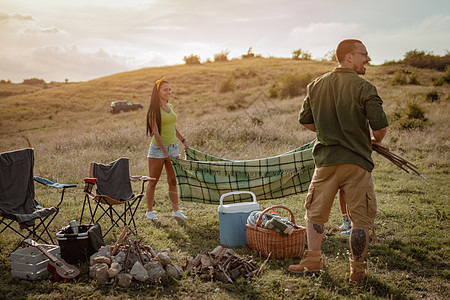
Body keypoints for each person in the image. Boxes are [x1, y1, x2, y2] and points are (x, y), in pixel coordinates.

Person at [289, 39, 388, 283]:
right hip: (357, 163)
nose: (367, 58)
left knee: (315, 213)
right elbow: (380, 128)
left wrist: (327, 132)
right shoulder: (365, 87)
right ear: (348, 57)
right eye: (363, 54)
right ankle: (357, 271)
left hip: (326, 161)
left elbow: (305, 121)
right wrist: (374, 140)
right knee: (360, 218)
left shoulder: (316, 85)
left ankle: (313, 260)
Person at [145, 76, 189, 221]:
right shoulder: (153, 111)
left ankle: (176, 210)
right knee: (153, 181)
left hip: (173, 148)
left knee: (172, 180)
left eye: (170, 89)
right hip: (158, 149)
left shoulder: (170, 107)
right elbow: (156, 132)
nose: (169, 92)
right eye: (165, 89)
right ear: (158, 92)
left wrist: (183, 140)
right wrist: (164, 151)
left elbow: (172, 127)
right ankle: (149, 212)